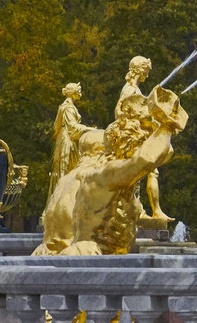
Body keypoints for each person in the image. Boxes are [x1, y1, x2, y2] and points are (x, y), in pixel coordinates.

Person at [34, 87, 187, 256]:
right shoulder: (103, 175)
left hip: (47, 255)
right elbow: (145, 160)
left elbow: (164, 152)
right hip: (85, 257)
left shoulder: (70, 179)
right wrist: (167, 125)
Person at [116, 55, 171, 223]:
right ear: (140, 69)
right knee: (146, 173)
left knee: (146, 173)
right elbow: (120, 114)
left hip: (137, 135)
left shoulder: (132, 89)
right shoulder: (131, 90)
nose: (149, 71)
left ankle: (145, 210)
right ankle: (147, 212)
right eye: (147, 68)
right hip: (134, 137)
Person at [48, 83, 93, 199]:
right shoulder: (67, 107)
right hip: (66, 140)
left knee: (69, 170)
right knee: (66, 169)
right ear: (73, 92)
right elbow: (72, 127)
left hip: (67, 140)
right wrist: (90, 129)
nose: (80, 94)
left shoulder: (67, 106)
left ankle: (66, 200)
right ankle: (62, 200)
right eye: (79, 91)